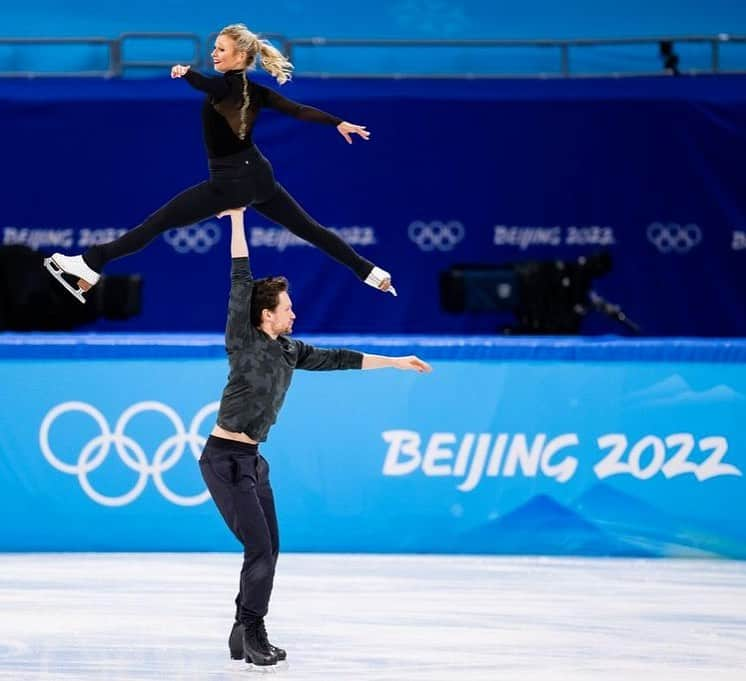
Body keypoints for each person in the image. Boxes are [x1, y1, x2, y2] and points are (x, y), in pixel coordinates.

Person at [202, 207, 430, 668]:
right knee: (260, 549)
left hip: (253, 461)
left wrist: (395, 362)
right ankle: (252, 632)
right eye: (286, 308)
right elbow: (239, 277)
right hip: (224, 459)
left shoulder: (290, 350)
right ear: (266, 314)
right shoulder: (244, 340)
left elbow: (340, 358)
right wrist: (238, 221)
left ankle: (239, 631)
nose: (294, 312)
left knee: (270, 549)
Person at [44, 23, 396, 304]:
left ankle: (92, 263)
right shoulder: (256, 92)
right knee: (311, 230)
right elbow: (298, 110)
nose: (214, 53)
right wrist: (338, 122)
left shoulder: (224, 88)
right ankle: (371, 272)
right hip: (259, 176)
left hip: (230, 182)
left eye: (220, 49)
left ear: (240, 55)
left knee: (158, 222)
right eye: (214, 48)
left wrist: (185, 72)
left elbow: (206, 84)